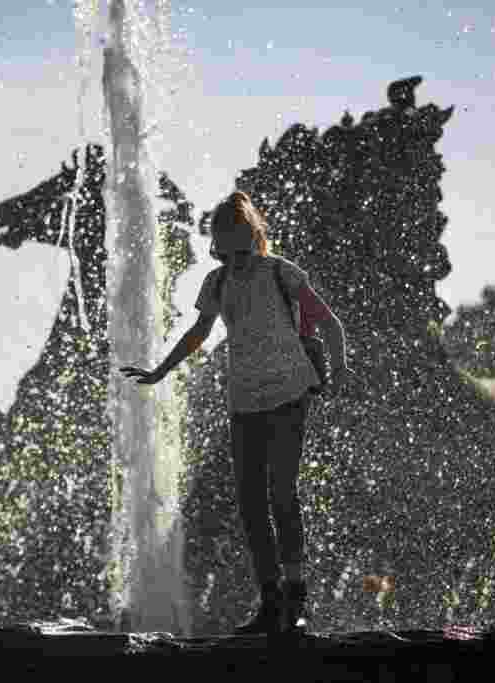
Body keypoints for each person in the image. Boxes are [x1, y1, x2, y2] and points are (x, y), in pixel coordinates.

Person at [120, 190, 355, 635]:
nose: (234, 249)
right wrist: (159, 371)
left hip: (289, 393)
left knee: (281, 493)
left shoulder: (280, 271)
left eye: (241, 238)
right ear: (218, 242)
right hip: (245, 401)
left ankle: (296, 602)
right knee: (250, 504)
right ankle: (269, 604)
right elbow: (198, 333)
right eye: (225, 241)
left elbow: (328, 322)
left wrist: (339, 369)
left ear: (253, 234)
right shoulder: (217, 283)